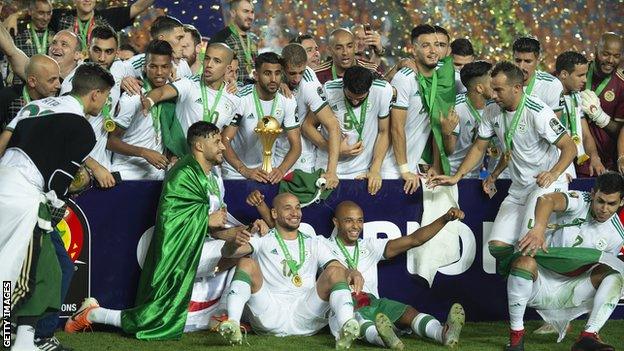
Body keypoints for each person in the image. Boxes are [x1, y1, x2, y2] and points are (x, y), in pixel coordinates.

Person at [65, 121, 253, 340]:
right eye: (217, 141)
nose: (223, 147)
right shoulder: (182, 172)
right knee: (154, 318)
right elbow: (169, 218)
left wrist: (236, 230)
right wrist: (206, 219)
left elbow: (215, 223)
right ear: (199, 146)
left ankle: (222, 315)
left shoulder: (213, 177)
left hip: (201, 245)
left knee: (249, 246)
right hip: (177, 250)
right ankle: (94, 314)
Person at [0, 62, 113, 351]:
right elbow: (57, 180)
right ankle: (25, 338)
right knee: (30, 269)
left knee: (38, 266)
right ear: (96, 95)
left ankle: (22, 337)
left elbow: (7, 144)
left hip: (4, 183)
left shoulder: (32, 108)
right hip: (26, 197)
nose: (105, 103)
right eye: (106, 97)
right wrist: (61, 198)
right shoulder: (83, 129)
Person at [429, 61, 576, 280]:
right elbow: (480, 146)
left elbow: (570, 147)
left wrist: (553, 173)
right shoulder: (491, 111)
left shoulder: (538, 111)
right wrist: (457, 176)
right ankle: (524, 279)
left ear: (517, 88)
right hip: (519, 188)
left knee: (527, 246)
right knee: (497, 247)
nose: (494, 94)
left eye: (499, 89)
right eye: (493, 88)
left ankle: (535, 295)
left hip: (543, 188)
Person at [218, 193, 362, 349]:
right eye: (288, 208)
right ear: (274, 213)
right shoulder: (262, 239)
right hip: (269, 312)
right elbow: (228, 253)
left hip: (306, 313)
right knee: (246, 262)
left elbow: (338, 268)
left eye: (298, 207)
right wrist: (232, 244)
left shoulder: (314, 242)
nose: (295, 213)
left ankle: (345, 328)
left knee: (335, 271)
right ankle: (233, 324)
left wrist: (351, 272)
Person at [504, 172, 624, 351]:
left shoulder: (616, 234)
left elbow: (602, 278)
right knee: (523, 263)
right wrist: (538, 229)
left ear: (621, 202)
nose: (604, 209)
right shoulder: (579, 200)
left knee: (615, 275)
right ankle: (516, 337)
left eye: (611, 204)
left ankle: (588, 336)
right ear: (592, 194)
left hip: (574, 290)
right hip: (543, 280)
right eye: (600, 201)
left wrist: (595, 319)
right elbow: (546, 200)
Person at [326, 201, 465, 349]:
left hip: (373, 302)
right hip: (345, 307)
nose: (355, 226)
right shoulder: (324, 246)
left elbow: (414, 239)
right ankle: (382, 339)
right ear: (336, 222)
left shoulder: (369, 245)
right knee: (359, 319)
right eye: (349, 221)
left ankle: (443, 333)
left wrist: (444, 219)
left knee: (408, 312)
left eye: (359, 220)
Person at [380, 24, 456, 191]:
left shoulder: (440, 80)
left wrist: (435, 165)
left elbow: (436, 125)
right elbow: (396, 128)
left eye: (437, 45)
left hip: (414, 169)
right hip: (391, 168)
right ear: (414, 50)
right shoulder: (405, 78)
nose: (433, 50)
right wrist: (404, 170)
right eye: (425, 45)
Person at [305, 66, 392, 195]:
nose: (355, 102)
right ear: (343, 86)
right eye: (350, 97)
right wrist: (334, 149)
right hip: (327, 168)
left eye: (361, 99)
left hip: (361, 170)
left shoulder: (382, 91)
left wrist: (375, 169)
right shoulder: (329, 90)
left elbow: (384, 132)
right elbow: (307, 126)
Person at [221, 52, 301, 184]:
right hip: (236, 172)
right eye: (267, 73)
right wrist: (245, 170)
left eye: (277, 73)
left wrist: (281, 170)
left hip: (267, 171)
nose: (273, 79)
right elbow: (225, 139)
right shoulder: (241, 99)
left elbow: (296, 145)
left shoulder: (288, 100)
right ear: (256, 75)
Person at [107, 40, 175, 180]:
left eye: (164, 66)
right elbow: (110, 141)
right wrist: (144, 152)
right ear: (144, 67)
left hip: (158, 175)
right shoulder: (132, 97)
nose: (159, 72)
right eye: (153, 66)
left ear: (171, 67)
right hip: (127, 174)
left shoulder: (172, 93)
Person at [281, 43, 340, 188]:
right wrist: (279, 83)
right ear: (282, 67)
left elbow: (333, 125)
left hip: (301, 158)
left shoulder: (310, 86)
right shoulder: (273, 72)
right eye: (292, 73)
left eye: (301, 72)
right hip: (272, 149)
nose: (297, 78)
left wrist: (331, 171)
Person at [579, 33, 624, 176]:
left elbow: (621, 131)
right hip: (575, 159)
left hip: (607, 162)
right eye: (606, 54)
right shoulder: (578, 72)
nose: (610, 60)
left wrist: (599, 115)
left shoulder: (622, 85)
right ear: (596, 49)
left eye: (616, 56)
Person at [555, 51, 605, 179]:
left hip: (567, 162)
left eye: (586, 74)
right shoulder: (547, 97)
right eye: (580, 75)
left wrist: (594, 157)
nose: (585, 79)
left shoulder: (576, 97)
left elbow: (586, 135)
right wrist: (557, 170)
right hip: (551, 165)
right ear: (564, 74)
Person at [118, 15, 191, 96]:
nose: (184, 44)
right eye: (179, 38)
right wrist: (121, 80)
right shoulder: (143, 61)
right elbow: (113, 72)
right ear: (162, 39)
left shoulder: (183, 64)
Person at [0, 54, 60, 152]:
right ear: (32, 81)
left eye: (58, 78)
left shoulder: (59, 99)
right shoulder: (7, 97)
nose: (59, 85)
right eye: (52, 80)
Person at [447, 61, 495, 178]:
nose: (496, 84)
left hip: (477, 175)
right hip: (451, 174)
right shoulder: (455, 108)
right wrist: (446, 133)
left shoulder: (495, 107)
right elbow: (449, 150)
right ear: (479, 88)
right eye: (492, 81)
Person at [512, 37, 564, 116]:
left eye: (527, 61)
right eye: (518, 61)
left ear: (538, 61)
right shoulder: (503, 83)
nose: (521, 66)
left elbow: (553, 125)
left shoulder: (551, 85)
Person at [210, 0, 258, 84]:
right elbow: (212, 72)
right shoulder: (221, 38)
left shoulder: (252, 40)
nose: (250, 16)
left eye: (252, 12)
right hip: (230, 93)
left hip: (251, 94)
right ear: (233, 13)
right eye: (245, 11)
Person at [10, 0, 54, 85]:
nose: (45, 18)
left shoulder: (55, 34)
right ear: (30, 12)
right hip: (21, 85)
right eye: (41, 13)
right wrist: (13, 16)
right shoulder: (18, 32)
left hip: (47, 86)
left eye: (49, 13)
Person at [315, 28, 382, 84]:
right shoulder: (317, 75)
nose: (345, 52)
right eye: (339, 48)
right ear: (329, 51)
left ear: (355, 48)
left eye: (349, 46)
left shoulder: (371, 70)